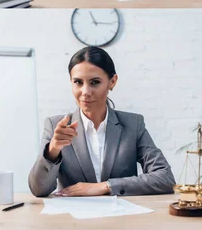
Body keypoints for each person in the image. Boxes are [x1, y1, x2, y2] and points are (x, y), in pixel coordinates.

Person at [28, 46, 175, 197]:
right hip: (73, 218)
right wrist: (52, 150)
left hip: (123, 216)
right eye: (78, 82)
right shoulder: (55, 127)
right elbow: (38, 190)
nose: (85, 92)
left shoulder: (133, 124)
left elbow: (165, 178)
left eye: (95, 82)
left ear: (112, 82)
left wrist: (106, 186)